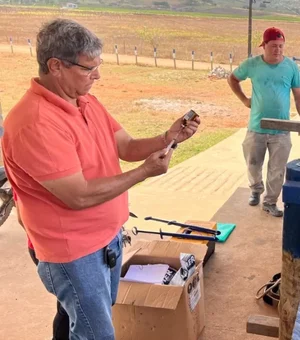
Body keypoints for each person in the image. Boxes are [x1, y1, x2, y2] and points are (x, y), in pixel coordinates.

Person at [2, 18, 200, 340]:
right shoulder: (34, 122)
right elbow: (77, 196)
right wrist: (143, 172)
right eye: (88, 68)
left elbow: (125, 145)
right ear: (56, 66)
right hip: (73, 253)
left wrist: (167, 136)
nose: (98, 75)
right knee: (96, 333)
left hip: (103, 239)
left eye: (99, 66)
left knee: (81, 320)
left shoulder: (85, 100)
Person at [227, 27, 300, 217]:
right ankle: (255, 189)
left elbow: (298, 97)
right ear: (264, 45)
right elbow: (233, 79)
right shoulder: (252, 65)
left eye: (281, 46)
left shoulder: (291, 67)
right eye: (274, 46)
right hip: (257, 127)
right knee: (253, 163)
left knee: (277, 170)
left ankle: (270, 202)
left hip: (282, 130)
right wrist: (244, 100)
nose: (278, 50)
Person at [12, 190, 69, 340]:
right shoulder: (26, 177)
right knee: (68, 307)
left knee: (69, 305)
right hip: (46, 251)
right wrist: (46, 245)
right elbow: (21, 218)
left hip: (62, 250)